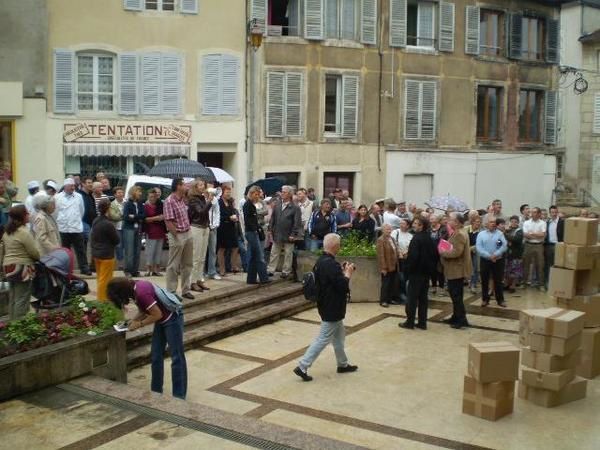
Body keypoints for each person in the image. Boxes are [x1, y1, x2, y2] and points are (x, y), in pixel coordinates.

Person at [107, 277, 187, 399]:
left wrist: (139, 324)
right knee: (155, 356)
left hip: (172, 319)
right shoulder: (135, 288)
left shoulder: (141, 292)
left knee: (176, 357)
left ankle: (179, 395)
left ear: (122, 292)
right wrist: (133, 321)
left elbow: (157, 314)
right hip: (162, 320)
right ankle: (156, 391)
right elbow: (144, 310)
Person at [294, 233, 357, 382]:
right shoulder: (330, 264)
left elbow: (332, 281)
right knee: (323, 338)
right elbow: (342, 285)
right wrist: (347, 273)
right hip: (332, 307)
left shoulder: (322, 261)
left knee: (339, 337)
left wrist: (341, 271)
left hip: (327, 305)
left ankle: (342, 364)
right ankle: (302, 366)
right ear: (336, 246)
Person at [2, 205, 40, 319]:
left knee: (13, 298)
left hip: (8, 266)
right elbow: (34, 253)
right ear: (22, 216)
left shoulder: (7, 232)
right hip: (22, 267)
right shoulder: (24, 232)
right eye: (27, 213)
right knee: (22, 299)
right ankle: (19, 327)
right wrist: (39, 258)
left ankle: (11, 326)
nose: (29, 214)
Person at [400, 216, 436, 330]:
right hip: (426, 273)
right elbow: (433, 255)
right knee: (423, 299)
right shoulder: (429, 238)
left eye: (416, 223)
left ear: (421, 226)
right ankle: (422, 322)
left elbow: (414, 258)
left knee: (411, 299)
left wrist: (407, 267)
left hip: (416, 273)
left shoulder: (416, 238)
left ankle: (410, 322)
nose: (413, 225)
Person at [163, 178, 194, 299]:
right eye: (184, 184)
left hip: (187, 233)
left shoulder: (182, 200)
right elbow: (169, 221)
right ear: (178, 186)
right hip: (178, 235)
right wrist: (176, 236)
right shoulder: (169, 201)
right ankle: (171, 291)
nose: (186, 186)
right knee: (173, 265)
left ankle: (186, 290)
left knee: (188, 264)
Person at [440, 213, 472, 329]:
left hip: (456, 269)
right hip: (455, 269)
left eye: (451, 220)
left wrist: (442, 251)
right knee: (455, 295)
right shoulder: (457, 232)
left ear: (457, 222)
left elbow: (456, 252)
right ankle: (456, 316)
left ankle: (461, 320)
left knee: (456, 296)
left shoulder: (459, 234)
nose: (448, 221)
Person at [55, 178, 91, 275]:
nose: (73, 187)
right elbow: (55, 212)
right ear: (65, 186)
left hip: (76, 227)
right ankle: (66, 269)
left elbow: (81, 211)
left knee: (81, 249)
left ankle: (84, 268)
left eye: (73, 186)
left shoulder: (78, 196)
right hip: (63, 228)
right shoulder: (57, 197)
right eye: (71, 186)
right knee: (65, 251)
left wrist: (75, 219)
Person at [267, 185, 302, 279]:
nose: (282, 193)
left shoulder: (295, 207)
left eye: (284, 192)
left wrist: (293, 234)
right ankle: (270, 270)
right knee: (274, 252)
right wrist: (270, 229)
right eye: (282, 192)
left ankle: (286, 271)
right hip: (277, 232)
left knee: (288, 253)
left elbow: (297, 222)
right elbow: (272, 218)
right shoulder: (277, 204)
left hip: (288, 233)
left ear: (290, 194)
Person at [91, 199, 120, 301]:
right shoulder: (108, 224)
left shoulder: (96, 220)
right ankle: (102, 300)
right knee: (105, 280)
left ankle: (102, 298)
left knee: (100, 278)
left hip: (96, 254)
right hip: (107, 255)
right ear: (108, 209)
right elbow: (116, 240)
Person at [187, 179, 213, 291]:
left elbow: (205, 212)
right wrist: (209, 202)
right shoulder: (193, 200)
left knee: (202, 257)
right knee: (196, 257)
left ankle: (199, 279)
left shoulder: (202, 198)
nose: (204, 186)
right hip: (196, 227)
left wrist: (208, 200)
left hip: (204, 227)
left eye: (204, 184)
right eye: (201, 184)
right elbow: (201, 212)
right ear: (195, 187)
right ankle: (192, 282)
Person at [476, 217, 508, 307]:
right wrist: (489, 256)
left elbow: (503, 246)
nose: (493, 224)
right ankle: (485, 299)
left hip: (498, 260)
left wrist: (495, 254)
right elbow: (479, 248)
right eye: (490, 222)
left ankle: (500, 300)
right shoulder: (481, 234)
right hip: (485, 260)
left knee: (498, 280)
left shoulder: (500, 234)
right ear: (486, 224)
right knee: (484, 280)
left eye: (494, 222)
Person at [243, 186, 271, 285]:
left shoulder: (251, 205)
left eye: (258, 194)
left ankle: (251, 278)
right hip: (251, 232)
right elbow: (248, 221)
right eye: (256, 194)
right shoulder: (248, 205)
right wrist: (256, 229)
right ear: (251, 194)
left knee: (254, 256)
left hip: (254, 231)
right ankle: (264, 278)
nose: (257, 196)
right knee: (259, 256)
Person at [217, 186, 241, 277]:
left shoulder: (230, 202)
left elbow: (233, 212)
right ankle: (222, 269)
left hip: (231, 227)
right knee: (222, 248)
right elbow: (218, 215)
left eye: (229, 192)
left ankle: (233, 266)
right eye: (227, 192)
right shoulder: (219, 202)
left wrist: (234, 217)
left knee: (235, 247)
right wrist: (228, 218)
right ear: (222, 193)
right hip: (222, 227)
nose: (228, 194)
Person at [122, 186, 145, 277]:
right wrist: (137, 217)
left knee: (137, 250)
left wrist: (134, 216)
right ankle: (128, 270)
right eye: (138, 191)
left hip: (138, 228)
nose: (140, 193)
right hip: (129, 228)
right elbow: (126, 217)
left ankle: (135, 270)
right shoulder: (128, 204)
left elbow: (143, 215)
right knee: (129, 250)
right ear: (133, 192)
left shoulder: (140, 203)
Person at [522, 207, 547, 290]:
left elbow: (543, 235)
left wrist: (532, 233)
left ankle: (541, 284)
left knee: (540, 265)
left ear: (539, 214)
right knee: (525, 264)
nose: (533, 214)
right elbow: (525, 235)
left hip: (539, 246)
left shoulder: (543, 223)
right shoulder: (526, 223)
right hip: (528, 245)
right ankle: (524, 283)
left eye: (535, 212)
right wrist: (536, 234)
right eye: (532, 212)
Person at [144, 188, 166, 277]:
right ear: (148, 197)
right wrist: (156, 218)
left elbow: (165, 214)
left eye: (154, 197)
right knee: (150, 250)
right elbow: (145, 219)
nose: (152, 198)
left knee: (158, 251)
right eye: (151, 197)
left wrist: (162, 217)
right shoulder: (146, 206)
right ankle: (148, 269)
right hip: (151, 230)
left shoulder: (160, 205)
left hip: (160, 230)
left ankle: (156, 269)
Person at [391, 218, 413, 303]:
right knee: (399, 277)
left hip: (406, 259)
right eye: (401, 223)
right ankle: (398, 295)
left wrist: (406, 252)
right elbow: (393, 243)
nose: (401, 225)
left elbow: (411, 246)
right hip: (397, 259)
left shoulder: (410, 236)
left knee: (405, 277)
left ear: (408, 226)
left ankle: (405, 293)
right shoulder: (395, 232)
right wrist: (399, 252)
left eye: (404, 223)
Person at [377, 224, 399, 308]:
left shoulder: (392, 239)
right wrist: (383, 267)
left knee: (393, 283)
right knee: (385, 283)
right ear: (383, 230)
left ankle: (390, 299)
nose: (389, 231)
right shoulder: (381, 240)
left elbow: (395, 250)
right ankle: (383, 300)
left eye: (390, 229)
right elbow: (381, 255)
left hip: (394, 265)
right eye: (387, 229)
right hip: (386, 265)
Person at [544, 205, 564, 289]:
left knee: (558, 265)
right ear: (550, 213)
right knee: (548, 265)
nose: (554, 214)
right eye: (552, 212)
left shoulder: (562, 222)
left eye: (555, 212)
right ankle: (548, 283)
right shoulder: (547, 222)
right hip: (549, 246)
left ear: (557, 212)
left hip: (559, 246)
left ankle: (558, 283)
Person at [429, 214, 448, 297]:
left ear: (437, 220)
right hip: (431, 253)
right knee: (432, 270)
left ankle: (441, 288)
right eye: (431, 219)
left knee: (440, 270)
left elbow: (444, 239)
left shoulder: (443, 228)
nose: (432, 221)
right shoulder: (428, 229)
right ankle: (433, 286)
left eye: (433, 219)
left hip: (440, 252)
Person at [504, 215, 524, 293]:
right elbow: (500, 240)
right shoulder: (508, 230)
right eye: (512, 222)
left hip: (516, 254)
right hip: (507, 253)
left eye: (515, 222)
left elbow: (516, 239)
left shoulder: (519, 231)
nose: (513, 223)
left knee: (515, 271)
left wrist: (505, 235)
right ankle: (507, 284)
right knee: (507, 271)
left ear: (518, 223)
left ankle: (513, 285)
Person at [206, 182, 221, 280]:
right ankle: (201, 272)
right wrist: (208, 201)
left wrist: (215, 225)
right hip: (204, 227)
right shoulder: (202, 199)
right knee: (202, 251)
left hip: (213, 228)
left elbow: (217, 213)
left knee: (212, 250)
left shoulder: (215, 200)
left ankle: (212, 272)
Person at [109, 186, 125, 269]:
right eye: (119, 193)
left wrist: (121, 216)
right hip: (117, 228)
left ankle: (125, 263)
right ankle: (120, 264)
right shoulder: (112, 204)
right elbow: (113, 216)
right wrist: (124, 215)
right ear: (115, 195)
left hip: (126, 227)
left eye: (122, 192)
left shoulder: (126, 202)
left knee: (126, 246)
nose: (121, 194)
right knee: (119, 246)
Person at [466, 211, 482, 294]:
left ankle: (473, 284)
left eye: (479, 222)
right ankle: (468, 281)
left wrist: (472, 248)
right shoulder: (467, 229)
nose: (478, 223)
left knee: (475, 268)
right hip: (466, 251)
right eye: (477, 222)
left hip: (475, 251)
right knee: (466, 268)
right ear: (472, 222)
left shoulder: (481, 232)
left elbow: (480, 243)